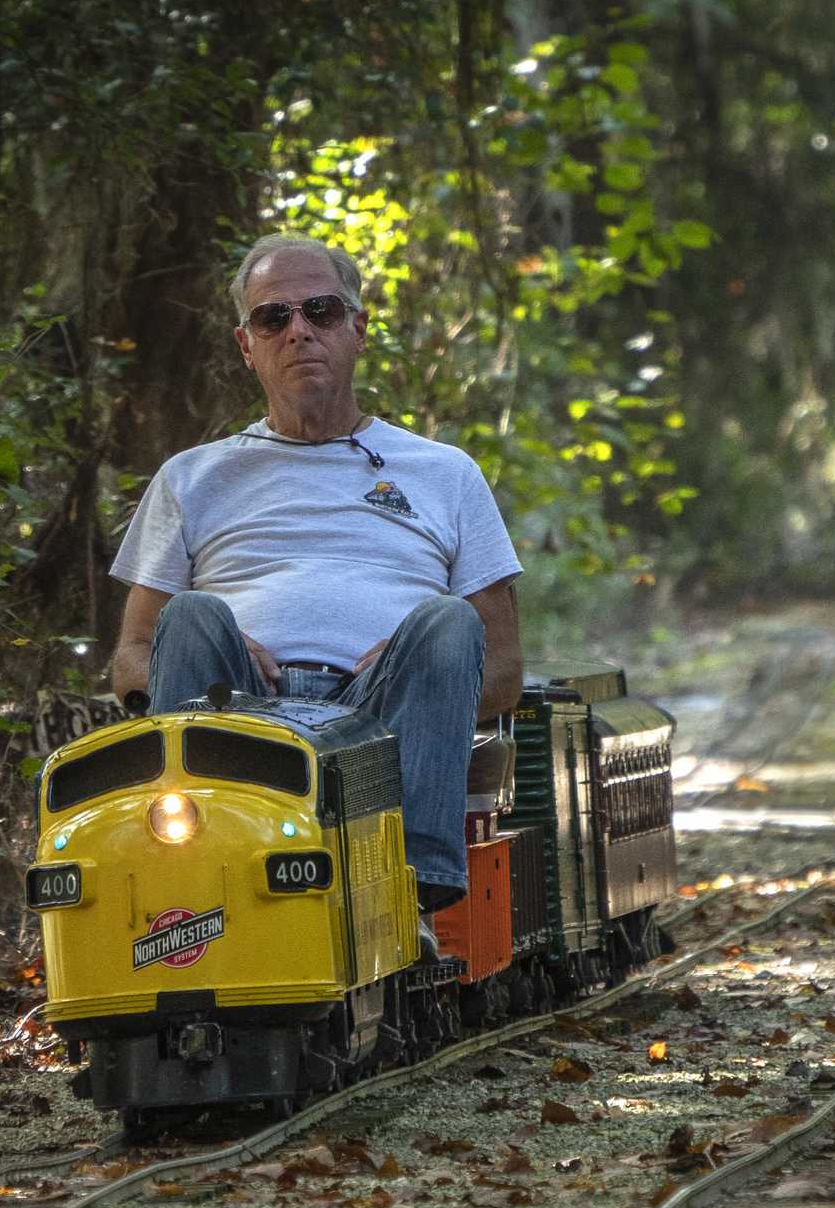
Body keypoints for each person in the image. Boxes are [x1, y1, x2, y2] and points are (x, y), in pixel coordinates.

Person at [107, 234, 524, 913]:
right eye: (273, 318)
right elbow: (132, 656)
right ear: (247, 346)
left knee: (450, 622)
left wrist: (418, 671)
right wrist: (209, 656)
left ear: (358, 328)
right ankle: (187, 886)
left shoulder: (446, 473)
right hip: (235, 716)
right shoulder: (191, 477)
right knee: (189, 615)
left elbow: (502, 669)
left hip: (383, 718)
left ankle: (410, 893)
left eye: (321, 311)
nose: (299, 331)